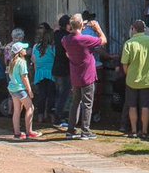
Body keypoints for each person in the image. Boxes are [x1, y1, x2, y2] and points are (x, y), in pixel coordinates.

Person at [61, 13, 106, 141]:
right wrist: (97, 29)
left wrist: (79, 26)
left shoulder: (66, 40)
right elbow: (103, 40)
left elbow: (69, 36)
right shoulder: (85, 39)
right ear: (81, 25)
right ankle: (85, 130)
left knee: (75, 103)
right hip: (87, 76)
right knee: (87, 104)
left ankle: (71, 130)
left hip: (75, 76)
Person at [6, 41, 40, 140]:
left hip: (12, 89)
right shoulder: (22, 62)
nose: (26, 50)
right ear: (20, 51)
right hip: (20, 89)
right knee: (30, 107)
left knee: (17, 110)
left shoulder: (12, 61)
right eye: (24, 49)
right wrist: (29, 90)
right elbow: (24, 77)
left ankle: (17, 133)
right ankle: (29, 131)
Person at [31, 25, 56, 129]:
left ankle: (40, 116)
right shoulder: (52, 48)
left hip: (40, 74)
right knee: (51, 95)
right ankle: (50, 115)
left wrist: (36, 73)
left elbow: (33, 60)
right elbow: (55, 59)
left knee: (41, 95)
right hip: (50, 73)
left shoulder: (36, 47)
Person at [51, 14, 71, 128]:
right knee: (65, 94)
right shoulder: (67, 37)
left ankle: (57, 115)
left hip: (56, 67)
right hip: (65, 68)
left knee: (59, 93)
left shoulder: (57, 34)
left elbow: (55, 29)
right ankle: (60, 117)